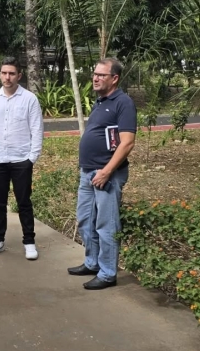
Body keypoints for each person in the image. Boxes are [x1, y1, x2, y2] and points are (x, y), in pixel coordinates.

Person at [67, 58, 137, 290]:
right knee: (86, 221)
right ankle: (93, 262)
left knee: (106, 225)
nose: (95, 78)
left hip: (107, 174)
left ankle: (107, 274)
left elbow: (127, 143)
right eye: (94, 74)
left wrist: (106, 172)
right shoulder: (100, 101)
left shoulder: (123, 103)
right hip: (88, 172)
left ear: (114, 78)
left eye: (101, 75)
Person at [0, 56, 44, 260]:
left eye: (12, 73)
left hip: (21, 160)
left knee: (24, 202)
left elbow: (37, 129)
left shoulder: (29, 99)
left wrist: (31, 157)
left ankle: (29, 241)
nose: (7, 77)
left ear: (19, 76)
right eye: (4, 73)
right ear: (0, 74)